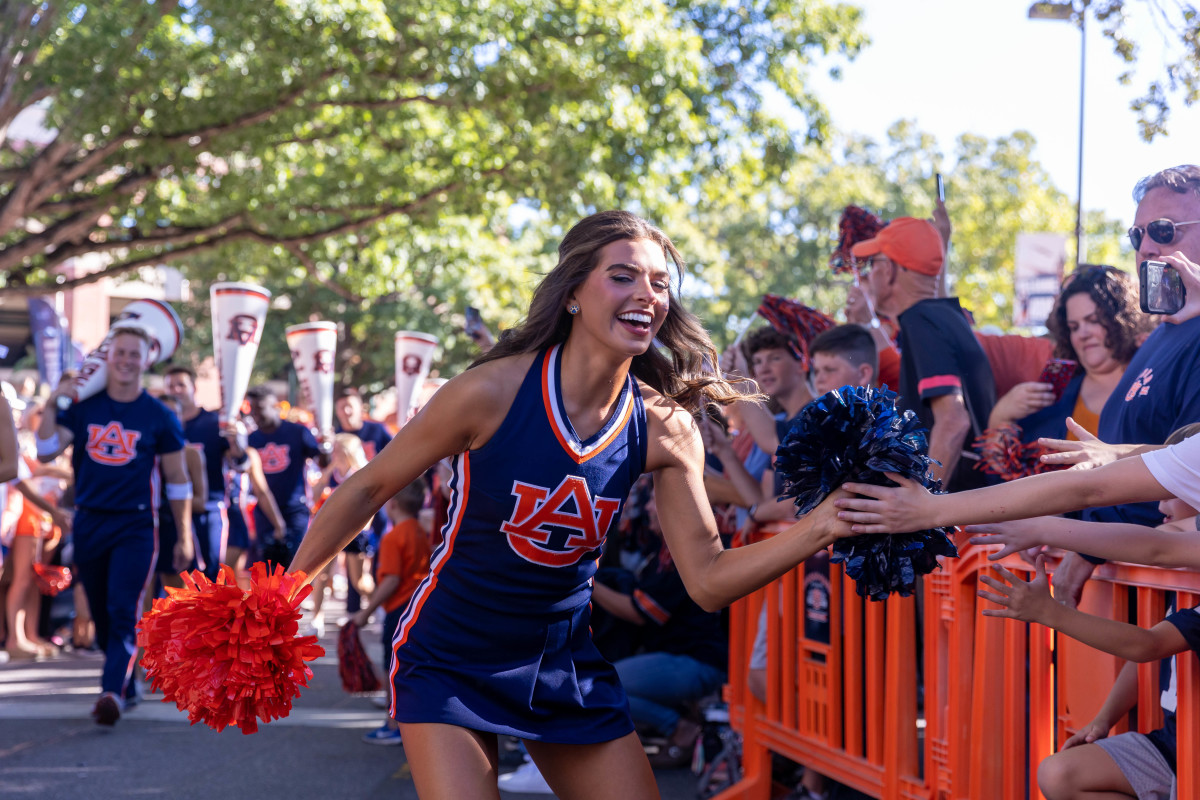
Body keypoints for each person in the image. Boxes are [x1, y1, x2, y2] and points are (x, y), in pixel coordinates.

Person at [287, 210, 853, 799]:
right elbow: (367, 488)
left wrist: (821, 525)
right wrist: (282, 596)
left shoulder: (665, 425)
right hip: (452, 650)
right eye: (623, 276)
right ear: (574, 293)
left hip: (563, 663)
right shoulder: (491, 391)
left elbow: (707, 580)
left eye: (660, 283)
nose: (647, 295)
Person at [1036, 165, 1200, 607]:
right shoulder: (1166, 332)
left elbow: (1180, 480)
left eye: (1164, 231)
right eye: (1137, 235)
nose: (1146, 247)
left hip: (1167, 598)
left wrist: (1085, 545)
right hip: (1125, 595)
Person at [975, 489, 1199, 800]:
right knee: (1059, 774)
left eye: (1173, 490)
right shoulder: (1185, 574)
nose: (1158, 506)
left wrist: (1050, 612)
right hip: (1174, 743)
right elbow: (1162, 537)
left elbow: (1148, 645)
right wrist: (1102, 720)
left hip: (1194, 753)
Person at [37, 326, 192, 725]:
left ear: (146, 361)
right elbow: (45, 448)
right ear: (108, 358)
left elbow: (178, 480)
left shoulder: (159, 414)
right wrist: (53, 404)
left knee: (123, 607)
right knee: (104, 614)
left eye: (133, 354)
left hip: (137, 524)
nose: (125, 360)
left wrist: (185, 533)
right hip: (89, 520)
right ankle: (125, 676)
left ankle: (110, 692)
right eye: (118, 353)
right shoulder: (86, 406)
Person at [850, 217, 996, 491]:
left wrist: (922, 504)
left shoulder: (921, 320)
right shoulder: (946, 317)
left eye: (873, 264)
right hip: (975, 504)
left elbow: (953, 420)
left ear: (890, 269)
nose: (869, 275)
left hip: (960, 512)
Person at [977, 265, 1153, 478]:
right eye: (1074, 326)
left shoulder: (1151, 380)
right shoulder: (1053, 398)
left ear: (1123, 319)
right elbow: (1001, 480)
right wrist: (1000, 418)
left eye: (1093, 320)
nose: (1083, 334)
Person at [352, 477, 432, 746]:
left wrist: (366, 611)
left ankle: (393, 724)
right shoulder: (419, 531)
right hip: (418, 608)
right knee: (411, 668)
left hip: (399, 609)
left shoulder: (394, 536)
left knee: (393, 668)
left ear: (393, 504)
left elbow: (391, 580)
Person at [163, 366, 247, 580]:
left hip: (207, 510)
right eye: (170, 385)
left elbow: (240, 463)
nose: (176, 390)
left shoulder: (213, 422)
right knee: (171, 579)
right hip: (170, 512)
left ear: (194, 387)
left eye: (181, 384)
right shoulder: (161, 423)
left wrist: (236, 442)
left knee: (209, 579)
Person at [244, 386, 329, 569]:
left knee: (294, 569)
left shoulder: (297, 432)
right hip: (265, 513)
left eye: (260, 409)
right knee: (267, 573)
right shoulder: (252, 439)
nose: (255, 414)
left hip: (295, 510)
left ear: (275, 406)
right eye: (252, 409)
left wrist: (326, 444)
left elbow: (323, 462)